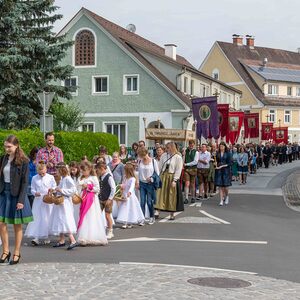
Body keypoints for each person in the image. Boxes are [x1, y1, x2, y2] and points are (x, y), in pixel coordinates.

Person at [0, 135, 33, 265]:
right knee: (1, 224)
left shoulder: (24, 161)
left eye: (9, 146)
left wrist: (21, 200)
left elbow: (25, 182)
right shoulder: (2, 159)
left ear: (16, 145)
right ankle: (5, 251)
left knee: (16, 224)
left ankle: (17, 252)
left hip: (17, 194)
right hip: (3, 193)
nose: (7, 149)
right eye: (5, 146)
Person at [25, 161, 56, 246]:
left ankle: (47, 236)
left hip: (48, 199)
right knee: (37, 217)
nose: (41, 175)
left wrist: (51, 189)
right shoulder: (35, 178)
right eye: (40, 173)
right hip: (38, 200)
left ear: (46, 170)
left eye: (43, 173)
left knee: (47, 217)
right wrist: (35, 193)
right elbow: (32, 189)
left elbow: (54, 186)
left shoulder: (50, 177)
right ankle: (36, 237)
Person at [48, 162, 78, 250]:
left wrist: (61, 190)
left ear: (62, 170)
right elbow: (59, 189)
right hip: (60, 203)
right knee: (59, 219)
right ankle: (61, 240)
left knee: (64, 219)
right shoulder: (62, 179)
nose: (56, 172)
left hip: (65, 203)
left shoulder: (68, 179)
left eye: (57, 170)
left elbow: (73, 190)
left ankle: (73, 240)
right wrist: (54, 190)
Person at [77, 162, 107, 246]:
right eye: (82, 171)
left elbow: (97, 189)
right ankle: (83, 237)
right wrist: (81, 187)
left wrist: (89, 187)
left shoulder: (93, 177)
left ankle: (93, 236)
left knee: (91, 217)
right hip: (83, 199)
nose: (83, 172)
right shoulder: (80, 177)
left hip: (91, 200)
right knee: (84, 216)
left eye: (85, 170)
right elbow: (77, 188)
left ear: (89, 170)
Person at [155, 142, 184, 220]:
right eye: (166, 148)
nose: (166, 149)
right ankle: (157, 211)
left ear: (172, 148)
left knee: (171, 195)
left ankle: (172, 214)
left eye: (168, 148)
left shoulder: (178, 157)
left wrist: (175, 180)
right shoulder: (164, 155)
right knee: (160, 193)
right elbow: (160, 166)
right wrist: (158, 176)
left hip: (171, 177)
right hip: (163, 176)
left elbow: (178, 169)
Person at [117, 163, 145, 228]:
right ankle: (125, 222)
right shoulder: (124, 177)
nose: (124, 172)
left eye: (125, 170)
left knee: (131, 209)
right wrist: (121, 186)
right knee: (124, 208)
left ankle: (130, 222)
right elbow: (124, 184)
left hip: (130, 196)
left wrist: (129, 192)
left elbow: (132, 186)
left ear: (128, 171)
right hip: (124, 194)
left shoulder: (133, 179)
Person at [137, 147, 159, 225]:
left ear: (145, 154)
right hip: (142, 183)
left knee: (149, 202)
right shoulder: (139, 161)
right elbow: (138, 173)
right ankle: (142, 218)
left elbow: (157, 173)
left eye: (141, 155)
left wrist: (151, 179)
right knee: (142, 202)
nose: (140, 157)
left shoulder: (153, 161)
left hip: (150, 184)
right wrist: (137, 183)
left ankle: (151, 217)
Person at [97, 163, 116, 239]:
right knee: (98, 214)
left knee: (107, 215)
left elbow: (113, 188)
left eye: (98, 170)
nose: (97, 172)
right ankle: (99, 230)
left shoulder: (109, 177)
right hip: (101, 198)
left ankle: (110, 231)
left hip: (108, 199)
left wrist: (110, 198)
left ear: (102, 169)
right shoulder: (101, 177)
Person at [214, 142, 232, 206]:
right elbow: (215, 161)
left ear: (225, 147)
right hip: (219, 171)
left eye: (222, 146)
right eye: (220, 146)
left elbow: (230, 163)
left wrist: (223, 166)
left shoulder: (228, 154)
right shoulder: (217, 153)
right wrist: (215, 164)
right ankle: (221, 200)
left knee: (226, 186)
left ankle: (227, 196)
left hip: (226, 171)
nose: (221, 148)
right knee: (220, 186)